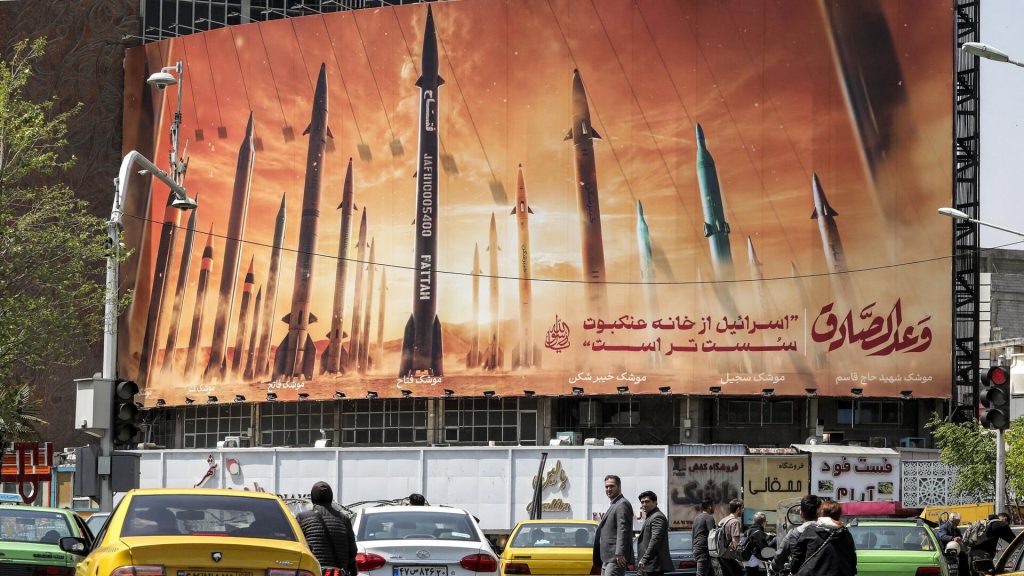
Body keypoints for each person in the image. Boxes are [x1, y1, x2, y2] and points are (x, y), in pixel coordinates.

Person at [296, 481, 358, 576]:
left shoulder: (302, 518)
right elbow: (352, 550)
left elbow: (297, 547)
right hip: (338, 572)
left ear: (312, 497)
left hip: (313, 570)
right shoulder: (344, 519)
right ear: (331, 497)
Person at [788, 500, 856, 576]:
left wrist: (793, 570)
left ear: (820, 514)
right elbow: (852, 558)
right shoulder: (845, 533)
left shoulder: (811, 530)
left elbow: (798, 555)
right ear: (839, 515)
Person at [592, 475, 635, 576]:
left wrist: (619, 553)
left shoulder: (622, 504)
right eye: (606, 487)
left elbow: (622, 530)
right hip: (607, 557)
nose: (608, 489)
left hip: (616, 558)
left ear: (619, 487)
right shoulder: (615, 504)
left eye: (611, 486)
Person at [771, 494, 820, 575]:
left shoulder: (794, 533)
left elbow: (780, 557)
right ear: (819, 513)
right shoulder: (830, 531)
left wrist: (773, 567)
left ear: (801, 514)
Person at [636, 491, 672, 576]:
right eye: (642, 502)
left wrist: (644, 559)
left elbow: (655, 540)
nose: (644, 504)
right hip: (647, 566)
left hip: (652, 566)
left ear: (655, 502)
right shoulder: (650, 516)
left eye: (647, 501)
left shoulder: (657, 517)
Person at [715, 499, 744, 576]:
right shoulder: (735, 522)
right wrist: (739, 557)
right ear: (738, 509)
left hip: (721, 555)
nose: (743, 510)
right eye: (742, 508)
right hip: (730, 556)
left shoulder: (723, 520)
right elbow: (735, 541)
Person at [742, 512, 776, 576]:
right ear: (764, 522)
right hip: (753, 562)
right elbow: (764, 551)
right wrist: (775, 553)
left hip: (746, 559)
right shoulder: (759, 533)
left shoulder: (748, 530)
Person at [691, 498, 716, 576]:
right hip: (704, 550)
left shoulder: (696, 518)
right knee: (701, 574)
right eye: (714, 505)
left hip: (697, 548)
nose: (714, 507)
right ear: (710, 507)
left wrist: (693, 550)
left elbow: (693, 535)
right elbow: (713, 535)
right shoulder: (709, 517)